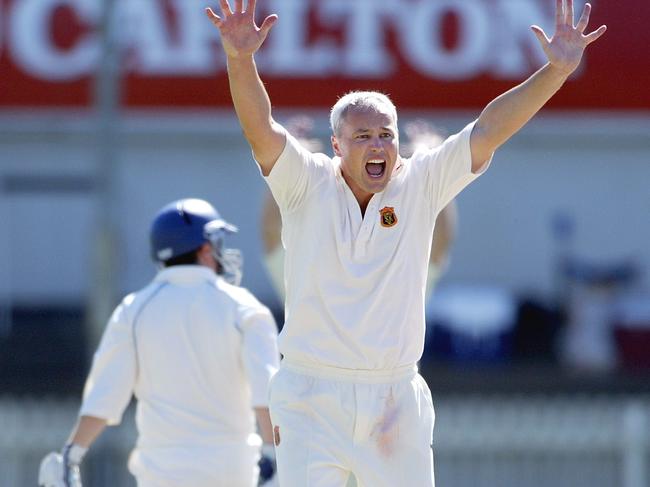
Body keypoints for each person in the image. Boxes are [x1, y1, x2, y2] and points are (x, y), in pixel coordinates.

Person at [206, 0, 606, 485]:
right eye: (363, 136)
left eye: (386, 135)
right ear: (336, 145)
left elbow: (487, 130)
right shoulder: (305, 181)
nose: (378, 146)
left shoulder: (419, 181)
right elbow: (261, 131)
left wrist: (556, 71)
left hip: (393, 396)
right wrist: (239, 59)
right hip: (309, 394)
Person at [38, 198, 280, 487]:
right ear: (204, 249)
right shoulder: (244, 308)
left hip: (162, 472)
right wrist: (273, 457)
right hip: (231, 470)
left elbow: (104, 395)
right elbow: (267, 394)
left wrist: (71, 455)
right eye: (217, 243)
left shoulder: (134, 309)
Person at [261, 118, 457, 303]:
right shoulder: (306, 265)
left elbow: (439, 240)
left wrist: (432, 168)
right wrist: (288, 166)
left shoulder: (398, 264)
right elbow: (272, 229)